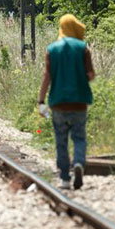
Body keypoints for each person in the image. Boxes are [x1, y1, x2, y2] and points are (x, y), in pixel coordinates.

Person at [38, 14, 96, 190]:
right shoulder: (83, 48)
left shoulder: (52, 49)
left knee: (61, 140)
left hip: (58, 103)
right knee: (79, 137)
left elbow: (47, 76)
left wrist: (41, 101)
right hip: (79, 102)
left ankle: (64, 177)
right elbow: (91, 76)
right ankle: (78, 163)